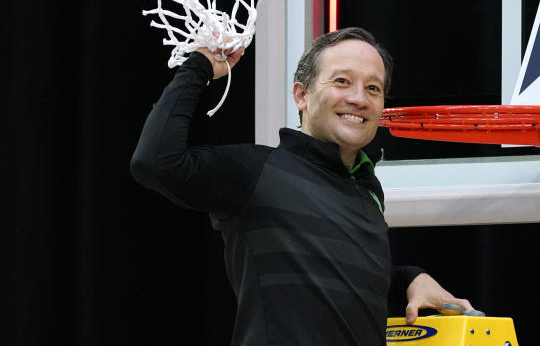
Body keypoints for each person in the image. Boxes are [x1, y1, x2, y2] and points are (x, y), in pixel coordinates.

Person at [131, 27, 475, 345]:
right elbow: (155, 162)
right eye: (342, 81)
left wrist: (409, 279)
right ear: (301, 95)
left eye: (373, 88)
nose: (359, 98)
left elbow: (345, 279)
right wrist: (201, 66)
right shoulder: (259, 170)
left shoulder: (368, 189)